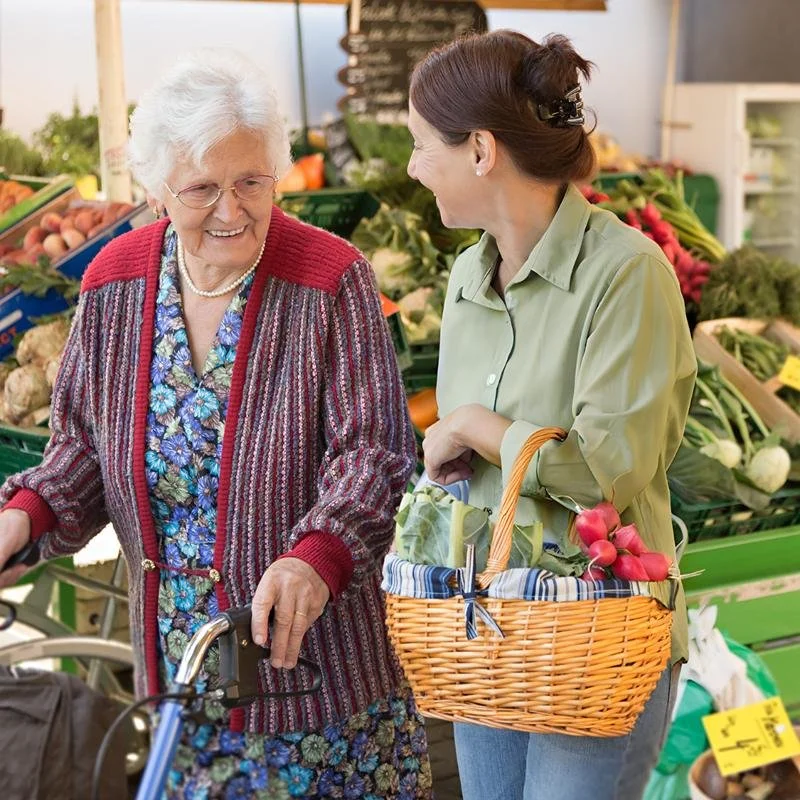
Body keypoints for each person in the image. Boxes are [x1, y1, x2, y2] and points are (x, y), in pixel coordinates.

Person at [0, 49, 433, 799]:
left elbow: (374, 453)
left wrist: (317, 555)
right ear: (157, 188)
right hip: (182, 687)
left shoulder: (329, 279)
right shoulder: (114, 282)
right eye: (203, 188)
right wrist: (26, 514)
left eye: (252, 183)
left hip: (320, 697)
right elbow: (80, 448)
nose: (232, 211)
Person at [406, 30, 696, 800]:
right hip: (490, 627)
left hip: (594, 639)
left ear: (478, 151)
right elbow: (473, 483)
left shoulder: (627, 275)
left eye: (418, 145)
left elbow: (604, 472)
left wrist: (469, 424)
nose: (410, 167)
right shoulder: (467, 276)